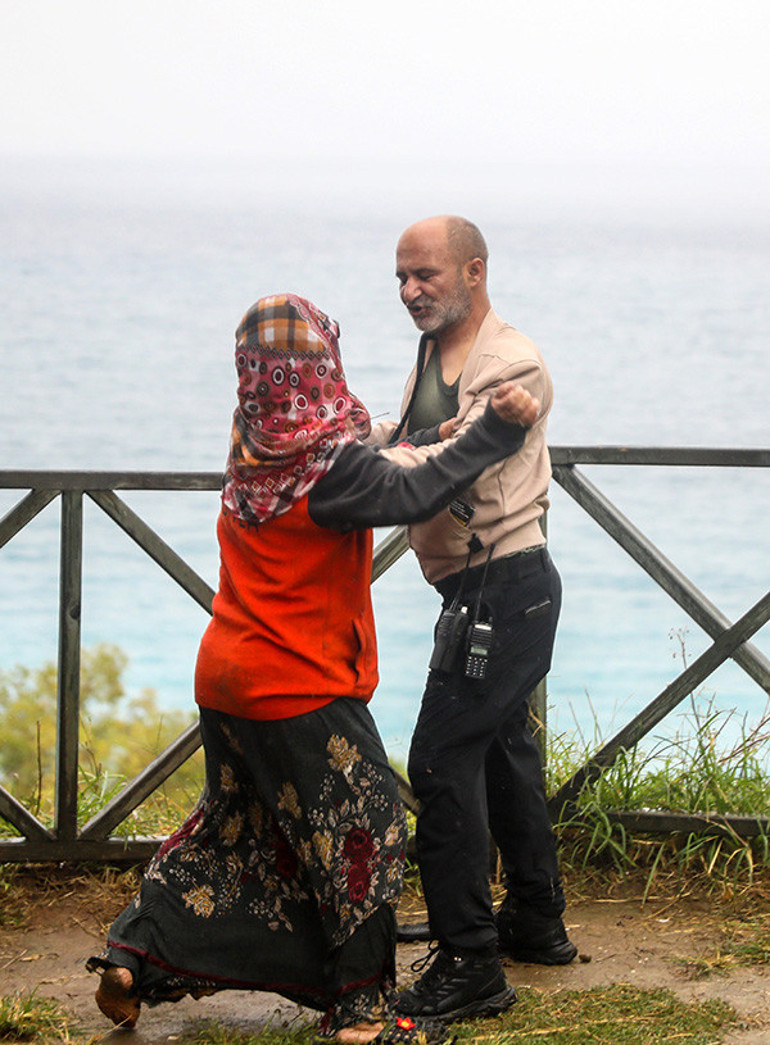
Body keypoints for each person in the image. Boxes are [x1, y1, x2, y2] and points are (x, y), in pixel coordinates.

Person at [87, 292, 541, 1043]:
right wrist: (494, 430)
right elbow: (410, 488)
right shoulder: (329, 472)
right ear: (322, 362)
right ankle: (362, 1016)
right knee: (368, 830)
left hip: (227, 675)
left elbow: (360, 440)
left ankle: (134, 954)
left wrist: (434, 429)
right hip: (297, 684)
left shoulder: (257, 432)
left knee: (231, 829)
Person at [366, 217, 577, 1023]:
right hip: (478, 592)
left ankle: (469, 962)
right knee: (501, 749)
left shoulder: (512, 361)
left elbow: (452, 455)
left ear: (475, 271)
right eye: (400, 278)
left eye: (424, 275)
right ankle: (536, 918)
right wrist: (362, 434)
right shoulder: (433, 349)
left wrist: (357, 466)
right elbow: (420, 434)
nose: (410, 291)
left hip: (509, 592)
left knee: (438, 757)